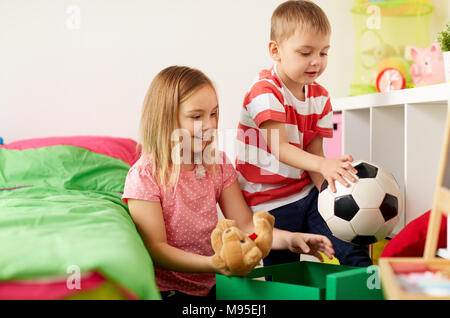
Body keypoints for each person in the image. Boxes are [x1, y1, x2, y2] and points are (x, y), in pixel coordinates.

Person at [122, 65, 335, 300]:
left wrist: (291, 239)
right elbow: (157, 249)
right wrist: (213, 263)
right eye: (196, 116)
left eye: (213, 114)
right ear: (165, 118)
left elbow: (246, 224)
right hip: (168, 291)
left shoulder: (217, 164)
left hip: (215, 283)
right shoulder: (145, 176)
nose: (209, 125)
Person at [235, 0, 372, 267]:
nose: (316, 62)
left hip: (305, 194)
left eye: (323, 53)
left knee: (350, 248)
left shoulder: (320, 97)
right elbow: (280, 148)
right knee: (286, 271)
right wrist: (324, 164)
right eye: (305, 53)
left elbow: (314, 153)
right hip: (267, 203)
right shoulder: (264, 91)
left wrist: (331, 191)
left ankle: (370, 288)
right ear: (276, 50)